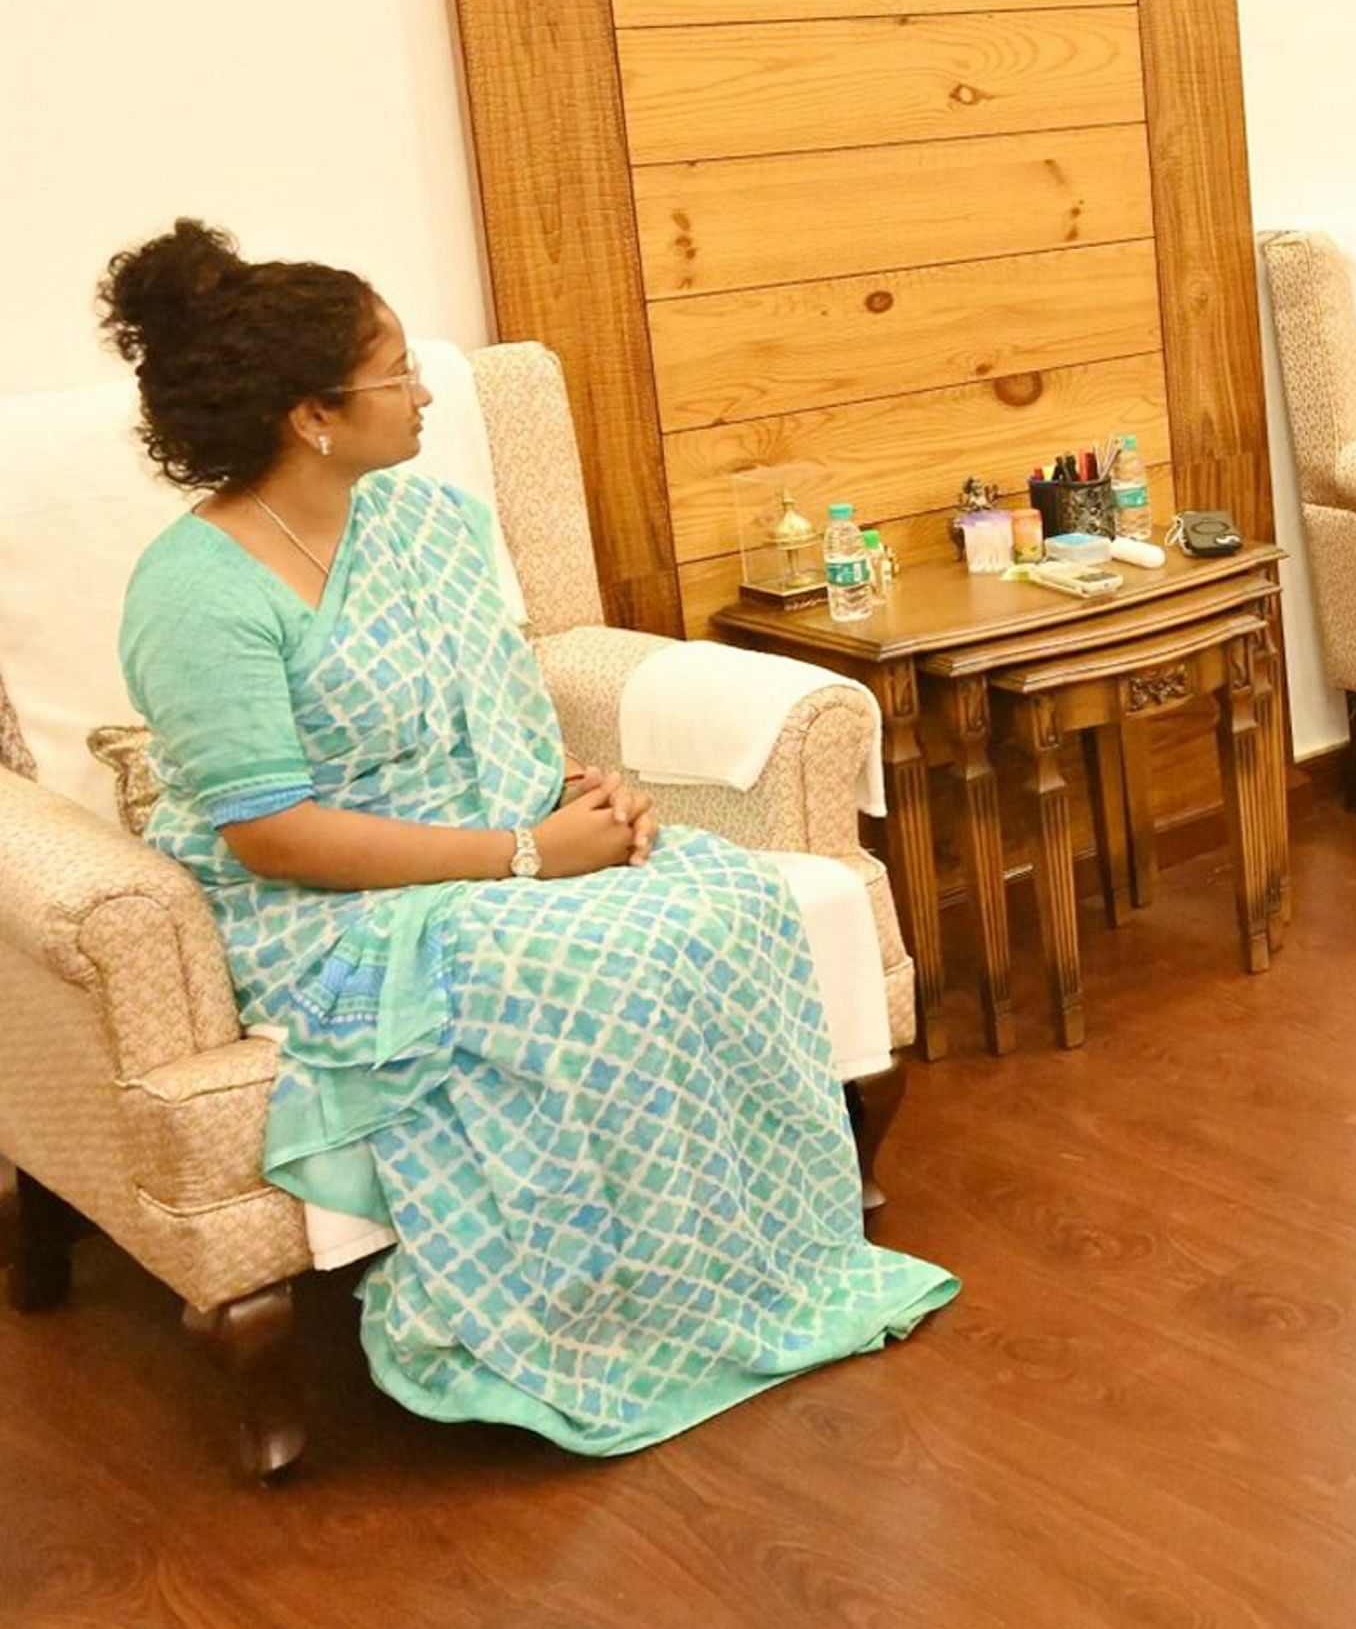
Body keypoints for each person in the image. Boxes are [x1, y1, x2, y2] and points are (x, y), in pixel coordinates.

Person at [96, 221, 953, 1456]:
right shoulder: (199, 592)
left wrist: (580, 796)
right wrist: (528, 856)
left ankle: (743, 1275)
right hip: (325, 906)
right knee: (590, 963)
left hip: (494, 841)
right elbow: (275, 836)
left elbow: (489, 712)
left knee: (726, 900)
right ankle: (585, 1326)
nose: (425, 390)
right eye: (396, 374)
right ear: (310, 418)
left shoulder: (427, 521)